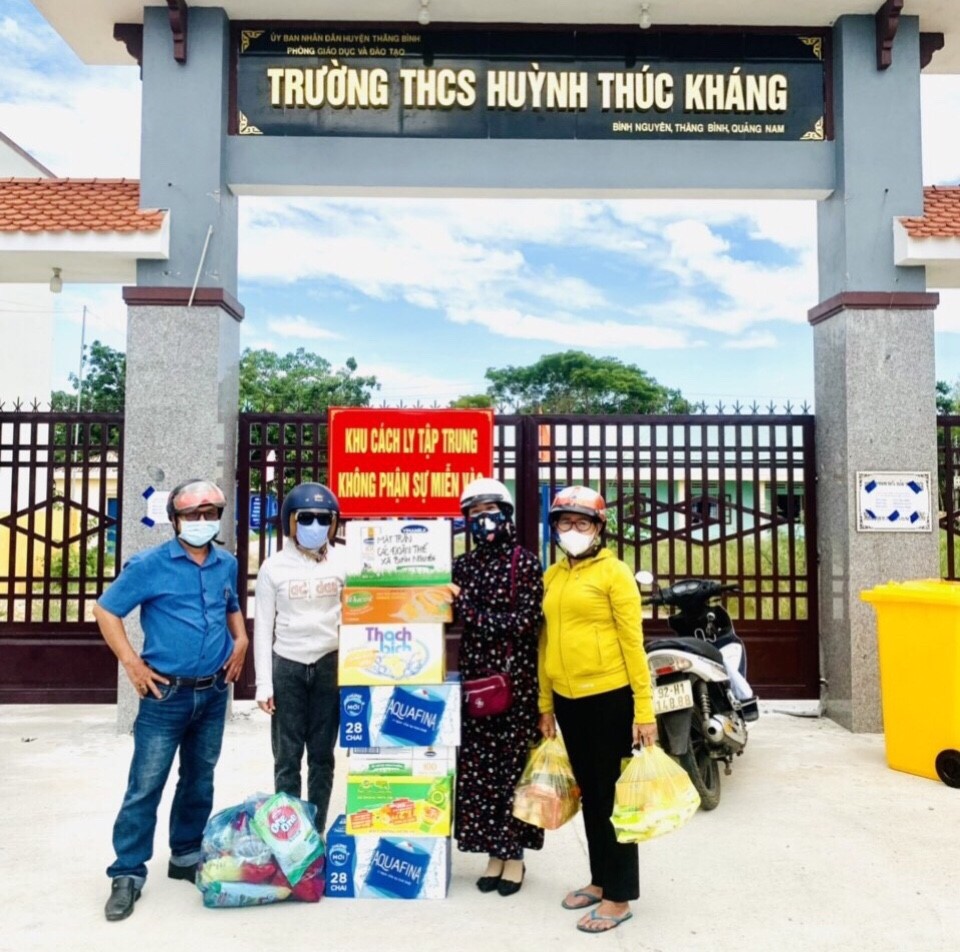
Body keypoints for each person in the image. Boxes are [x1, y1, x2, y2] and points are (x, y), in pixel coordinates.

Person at [93, 479, 249, 922]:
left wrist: (240, 639)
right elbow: (106, 610)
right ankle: (127, 872)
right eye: (191, 515)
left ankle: (185, 855)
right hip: (165, 695)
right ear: (175, 520)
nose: (202, 521)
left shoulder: (225, 564)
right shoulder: (150, 565)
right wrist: (132, 665)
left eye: (210, 513)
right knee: (146, 785)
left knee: (199, 779)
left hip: (212, 692)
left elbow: (230, 605)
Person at [537, 485, 657, 935]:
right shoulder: (553, 576)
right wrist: (545, 704)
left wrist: (644, 711)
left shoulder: (615, 573)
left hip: (610, 697)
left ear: (598, 529)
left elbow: (633, 643)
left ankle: (619, 896)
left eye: (582, 523)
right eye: (565, 523)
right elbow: (544, 642)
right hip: (568, 701)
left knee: (612, 799)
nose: (573, 530)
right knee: (590, 795)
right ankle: (600, 880)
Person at [451, 477, 544, 897]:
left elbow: (525, 622)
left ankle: (515, 858)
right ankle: (493, 854)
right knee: (479, 773)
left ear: (506, 514)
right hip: (475, 682)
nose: (482, 519)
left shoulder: (524, 563)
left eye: (489, 511)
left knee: (512, 772)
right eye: (474, 513)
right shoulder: (463, 566)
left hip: (515, 683)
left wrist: (469, 609)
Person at [253, 482, 343, 834]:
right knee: (287, 758)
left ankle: (315, 833)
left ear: (333, 523)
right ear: (291, 522)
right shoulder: (273, 567)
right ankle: (290, 837)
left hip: (329, 665)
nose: (314, 526)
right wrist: (264, 684)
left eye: (323, 519)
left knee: (322, 757)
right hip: (287, 666)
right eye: (306, 518)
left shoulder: (344, 562)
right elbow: (263, 627)